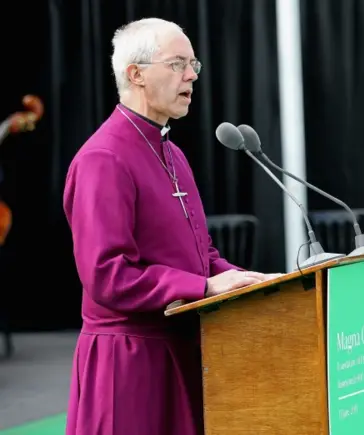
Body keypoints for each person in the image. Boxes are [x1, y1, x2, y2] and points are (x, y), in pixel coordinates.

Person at [63, 18, 275, 435]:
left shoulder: (172, 152)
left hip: (183, 348)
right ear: (136, 74)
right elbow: (107, 275)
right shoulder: (103, 159)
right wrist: (202, 287)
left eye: (193, 62)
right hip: (129, 363)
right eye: (178, 63)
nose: (193, 74)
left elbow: (201, 254)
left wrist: (244, 280)